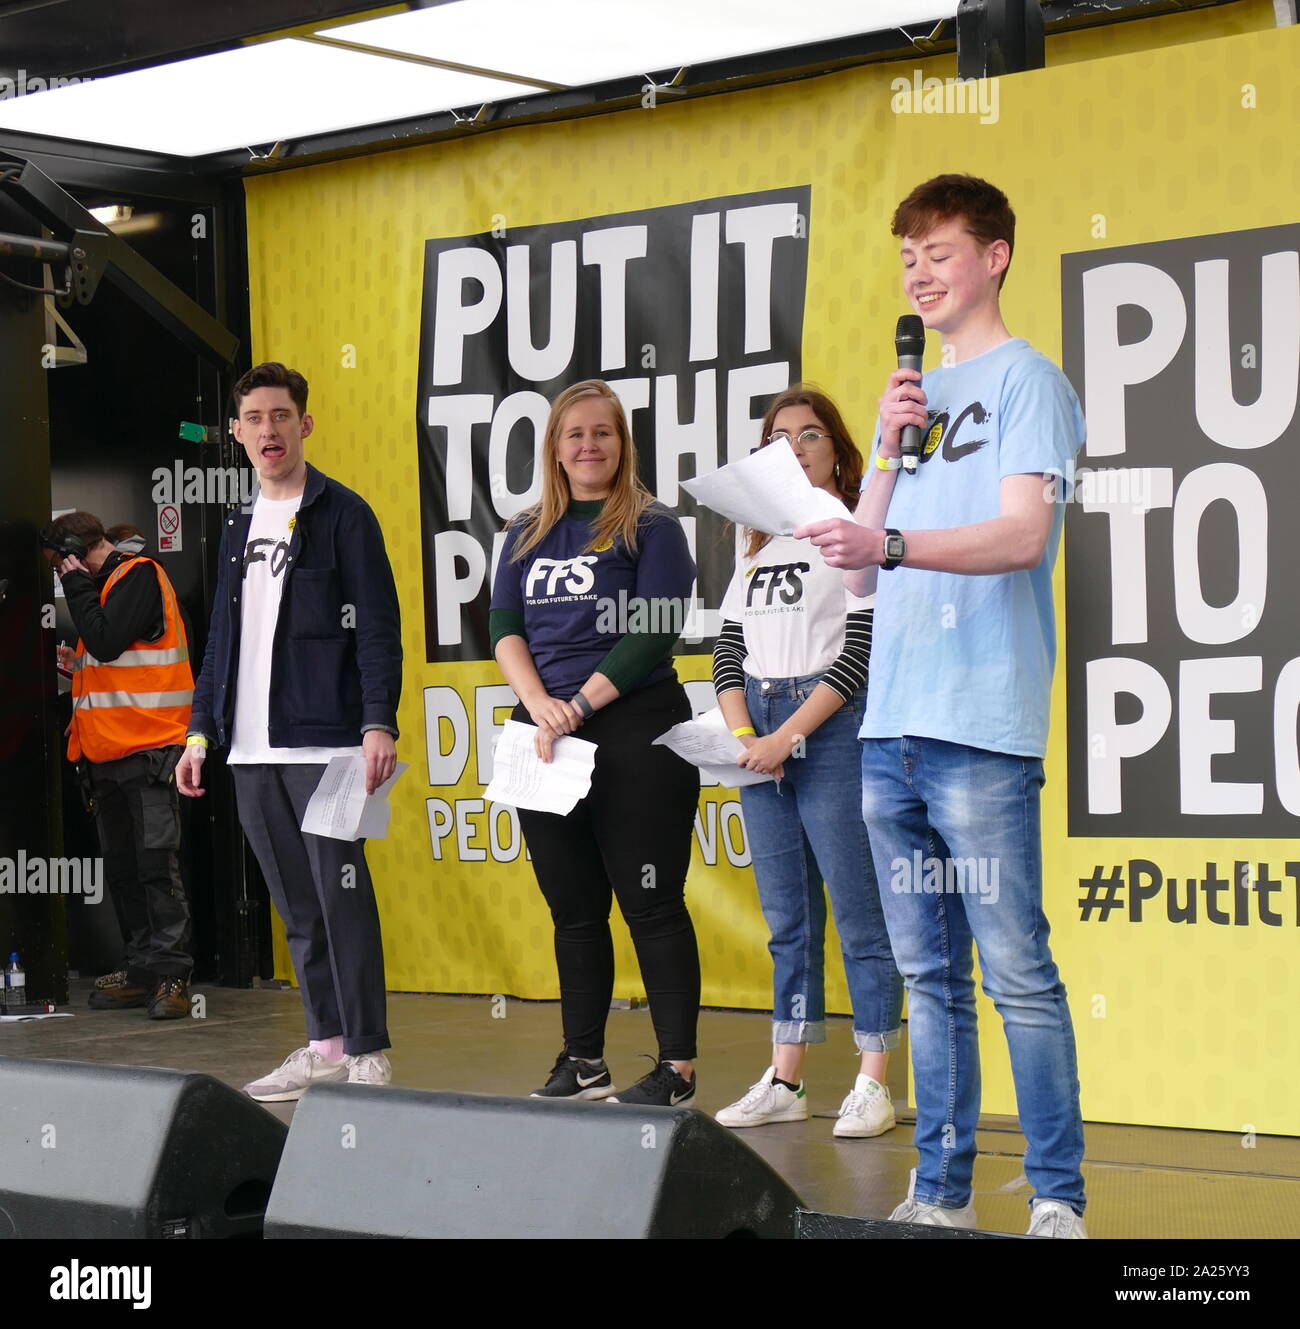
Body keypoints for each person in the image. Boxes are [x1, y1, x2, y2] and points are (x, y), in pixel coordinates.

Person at [797, 174, 1088, 1238]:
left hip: (979, 725)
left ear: (995, 256)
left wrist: (894, 540)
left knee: (1016, 971)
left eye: (939, 253)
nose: (919, 274)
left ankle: (1056, 1197)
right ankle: (940, 1193)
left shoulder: (1030, 382)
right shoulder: (910, 400)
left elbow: (1021, 537)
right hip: (890, 731)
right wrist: (881, 444)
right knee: (931, 977)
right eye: (907, 259)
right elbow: (863, 571)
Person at [177, 361, 401, 1102]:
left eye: (281, 415)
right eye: (254, 419)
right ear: (238, 433)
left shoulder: (344, 514)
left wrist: (376, 721)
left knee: (343, 897)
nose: (268, 430)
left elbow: (377, 628)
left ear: (304, 424)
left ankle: (368, 1047)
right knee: (296, 906)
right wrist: (200, 733)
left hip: (328, 743)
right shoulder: (239, 525)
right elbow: (220, 641)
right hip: (248, 751)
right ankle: (324, 1041)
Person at [490, 379, 702, 1107]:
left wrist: (577, 704)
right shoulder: (523, 532)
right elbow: (503, 627)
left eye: (603, 433)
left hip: (634, 729)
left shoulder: (653, 525)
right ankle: (584, 1060)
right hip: (545, 736)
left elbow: (655, 629)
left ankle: (676, 1071)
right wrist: (539, 705)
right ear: (554, 446)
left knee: (651, 902)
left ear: (623, 444)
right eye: (574, 433)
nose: (588, 445)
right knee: (572, 909)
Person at [711, 386, 904, 1137]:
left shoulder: (856, 526)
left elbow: (859, 651)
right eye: (780, 437)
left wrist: (787, 734)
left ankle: (873, 1078)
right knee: (788, 921)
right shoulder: (756, 538)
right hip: (757, 737)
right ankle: (786, 1077)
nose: (796, 447)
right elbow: (730, 645)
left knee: (860, 915)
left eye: (811, 434)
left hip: (826, 732)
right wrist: (742, 737)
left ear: (838, 451)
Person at [46, 510, 195, 1019]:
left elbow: (108, 642)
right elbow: (107, 661)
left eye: (58, 564)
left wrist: (77, 585)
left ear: (73, 549)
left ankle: (172, 974)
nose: (59, 579)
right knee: (126, 870)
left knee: (156, 866)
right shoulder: (106, 592)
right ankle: (142, 969)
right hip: (105, 756)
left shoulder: (140, 575)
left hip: (149, 749)